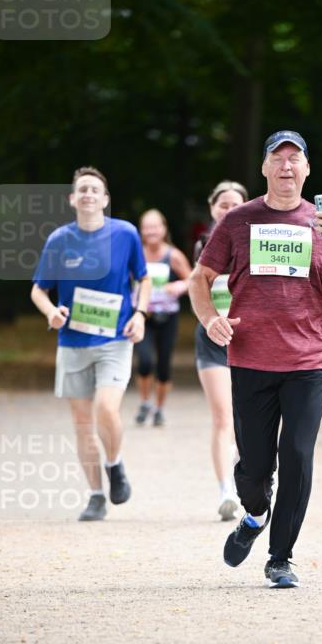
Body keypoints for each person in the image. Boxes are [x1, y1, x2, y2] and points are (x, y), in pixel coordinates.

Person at [189, 130, 322, 587]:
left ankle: (280, 557)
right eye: (278, 158)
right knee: (253, 467)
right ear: (264, 168)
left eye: (296, 159)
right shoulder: (238, 220)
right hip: (250, 358)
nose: (287, 166)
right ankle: (254, 514)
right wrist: (211, 318)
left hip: (309, 360)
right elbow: (200, 278)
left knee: (297, 454)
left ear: (307, 169)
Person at [31, 166, 151, 521]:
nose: (87, 194)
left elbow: (142, 279)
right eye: (81, 189)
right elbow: (39, 289)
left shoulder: (125, 234)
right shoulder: (58, 240)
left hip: (115, 338)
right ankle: (96, 495)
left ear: (105, 199)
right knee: (82, 422)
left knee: (106, 408)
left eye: (94, 189)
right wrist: (51, 312)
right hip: (72, 341)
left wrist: (140, 314)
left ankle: (114, 465)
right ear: (72, 199)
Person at [193, 181, 249, 521]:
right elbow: (197, 286)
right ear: (212, 208)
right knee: (221, 417)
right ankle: (226, 490)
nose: (229, 210)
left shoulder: (257, 242)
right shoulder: (204, 245)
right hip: (213, 339)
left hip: (249, 340)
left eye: (236, 205)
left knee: (247, 420)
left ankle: (249, 480)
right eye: (223, 205)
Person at [134, 209, 192, 427]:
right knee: (145, 361)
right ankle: (144, 402)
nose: (151, 231)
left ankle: (159, 408)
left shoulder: (173, 255)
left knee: (164, 366)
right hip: (143, 316)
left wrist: (179, 285)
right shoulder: (136, 254)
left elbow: (192, 280)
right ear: (141, 231)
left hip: (168, 317)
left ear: (164, 229)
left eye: (155, 226)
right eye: (147, 227)